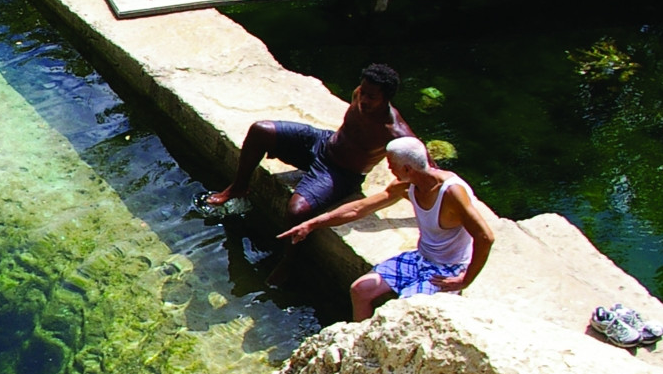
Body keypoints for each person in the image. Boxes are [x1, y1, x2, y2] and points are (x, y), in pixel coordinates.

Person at [279, 136, 495, 320]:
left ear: (407, 168)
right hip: (421, 257)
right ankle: (358, 346)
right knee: (360, 290)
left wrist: (465, 279)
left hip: (448, 268)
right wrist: (312, 223)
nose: (388, 168)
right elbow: (359, 209)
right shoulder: (406, 184)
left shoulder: (451, 193)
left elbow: (485, 236)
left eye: (391, 164)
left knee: (402, 313)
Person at [206, 63, 413, 219]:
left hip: (341, 173)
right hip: (323, 143)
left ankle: (288, 262)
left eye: (372, 97)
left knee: (296, 211)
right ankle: (239, 186)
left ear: (386, 98)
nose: (364, 100)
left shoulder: (395, 132)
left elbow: (428, 170)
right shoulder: (359, 94)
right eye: (364, 92)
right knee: (260, 130)